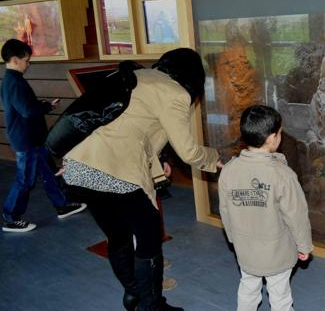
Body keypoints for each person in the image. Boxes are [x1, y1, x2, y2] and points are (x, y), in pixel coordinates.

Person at [60, 48, 222, 311]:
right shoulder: (174, 92)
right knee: (148, 235)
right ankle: (151, 306)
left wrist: (73, 159)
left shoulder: (137, 76)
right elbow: (188, 151)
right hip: (114, 171)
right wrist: (213, 158)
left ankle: (134, 294)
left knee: (118, 236)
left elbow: (125, 128)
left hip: (80, 167)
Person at [219, 105, 313, 311]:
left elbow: (225, 210)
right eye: (280, 133)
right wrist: (303, 245)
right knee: (280, 294)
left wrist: (234, 238)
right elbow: (296, 216)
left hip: (245, 250)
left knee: (248, 288)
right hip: (277, 253)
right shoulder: (283, 175)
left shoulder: (228, 170)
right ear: (272, 138)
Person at [1, 39, 86, 233]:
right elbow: (27, 111)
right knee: (25, 180)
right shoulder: (15, 82)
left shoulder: (11, 80)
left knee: (49, 173)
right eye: (26, 60)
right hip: (26, 140)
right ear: (15, 59)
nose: (28, 64)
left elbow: (25, 107)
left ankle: (62, 205)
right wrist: (46, 106)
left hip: (32, 139)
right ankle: (11, 218)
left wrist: (43, 105)